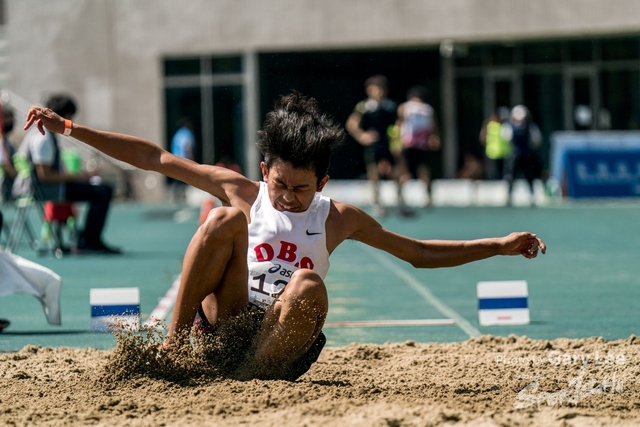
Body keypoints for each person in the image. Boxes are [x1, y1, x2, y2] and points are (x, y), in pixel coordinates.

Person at [23, 91, 546, 381]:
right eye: (280, 185)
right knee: (224, 221)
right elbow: (155, 158)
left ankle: (250, 375)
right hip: (226, 322)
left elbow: (418, 253)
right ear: (263, 169)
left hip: (282, 340)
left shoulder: (339, 216)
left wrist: (498, 245)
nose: (289, 198)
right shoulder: (242, 191)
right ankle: (172, 349)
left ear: (321, 183)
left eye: (301, 189)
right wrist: (71, 129)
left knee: (308, 285)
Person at [16, 94, 120, 254]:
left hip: (52, 187)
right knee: (103, 191)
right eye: (69, 117)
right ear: (63, 116)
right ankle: (89, 240)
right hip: (49, 189)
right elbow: (46, 176)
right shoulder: (43, 138)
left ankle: (88, 238)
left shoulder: (42, 135)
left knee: (100, 189)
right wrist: (81, 177)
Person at [346, 75, 399, 217]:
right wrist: (362, 136)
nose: (379, 92)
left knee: (396, 172)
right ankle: (377, 203)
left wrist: (398, 137)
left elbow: (399, 124)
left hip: (389, 144)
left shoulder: (391, 107)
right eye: (376, 89)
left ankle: (400, 202)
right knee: (373, 173)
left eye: (382, 89)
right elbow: (351, 124)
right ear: (369, 90)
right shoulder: (364, 107)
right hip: (373, 146)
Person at [396, 85, 441, 209]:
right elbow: (434, 127)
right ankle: (427, 197)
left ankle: (400, 197)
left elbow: (399, 124)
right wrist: (435, 138)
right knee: (424, 172)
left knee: (405, 173)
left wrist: (396, 141)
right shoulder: (428, 109)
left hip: (407, 144)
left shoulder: (404, 107)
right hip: (422, 145)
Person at [502, 105, 543, 205]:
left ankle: (532, 195)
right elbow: (506, 138)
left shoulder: (531, 127)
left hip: (526, 156)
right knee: (511, 176)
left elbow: (536, 140)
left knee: (529, 176)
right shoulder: (509, 127)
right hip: (515, 155)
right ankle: (509, 195)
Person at [479, 107, 511, 180]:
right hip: (494, 152)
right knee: (494, 172)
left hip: (501, 152)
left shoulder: (503, 126)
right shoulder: (491, 125)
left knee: (501, 171)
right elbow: (483, 137)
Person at [169, 117, 196, 202]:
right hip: (184, 159)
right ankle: (184, 196)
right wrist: (191, 159)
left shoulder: (177, 134)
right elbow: (187, 147)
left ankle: (176, 196)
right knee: (187, 177)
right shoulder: (187, 133)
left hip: (175, 158)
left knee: (178, 177)